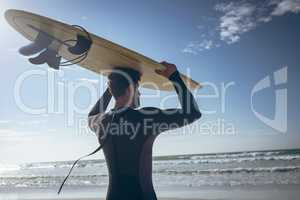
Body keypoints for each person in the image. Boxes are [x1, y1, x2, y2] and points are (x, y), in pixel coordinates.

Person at [88, 61, 201, 200]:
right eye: (137, 88)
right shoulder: (145, 118)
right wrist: (174, 77)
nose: (139, 93)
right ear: (130, 88)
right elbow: (193, 113)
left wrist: (110, 90)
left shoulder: (99, 121)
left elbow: (91, 115)